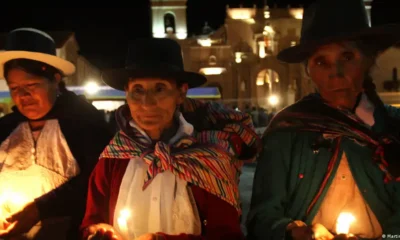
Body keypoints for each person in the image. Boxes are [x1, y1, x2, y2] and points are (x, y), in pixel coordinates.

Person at [247, 0, 400, 239]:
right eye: (321, 62)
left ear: (369, 60)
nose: (335, 73)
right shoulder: (287, 131)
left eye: (347, 57)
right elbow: (262, 218)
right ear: (307, 71)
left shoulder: (394, 129)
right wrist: (294, 233)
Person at [80, 38, 261, 240]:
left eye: (159, 89)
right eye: (138, 90)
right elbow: (92, 222)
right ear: (126, 94)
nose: (147, 103)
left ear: (181, 93)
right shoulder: (113, 159)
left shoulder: (209, 160)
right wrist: (96, 233)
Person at [0, 28, 113, 239]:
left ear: (55, 79)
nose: (24, 96)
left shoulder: (85, 123)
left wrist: (39, 209)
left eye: (32, 85)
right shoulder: (6, 128)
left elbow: (97, 181)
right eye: (14, 88)